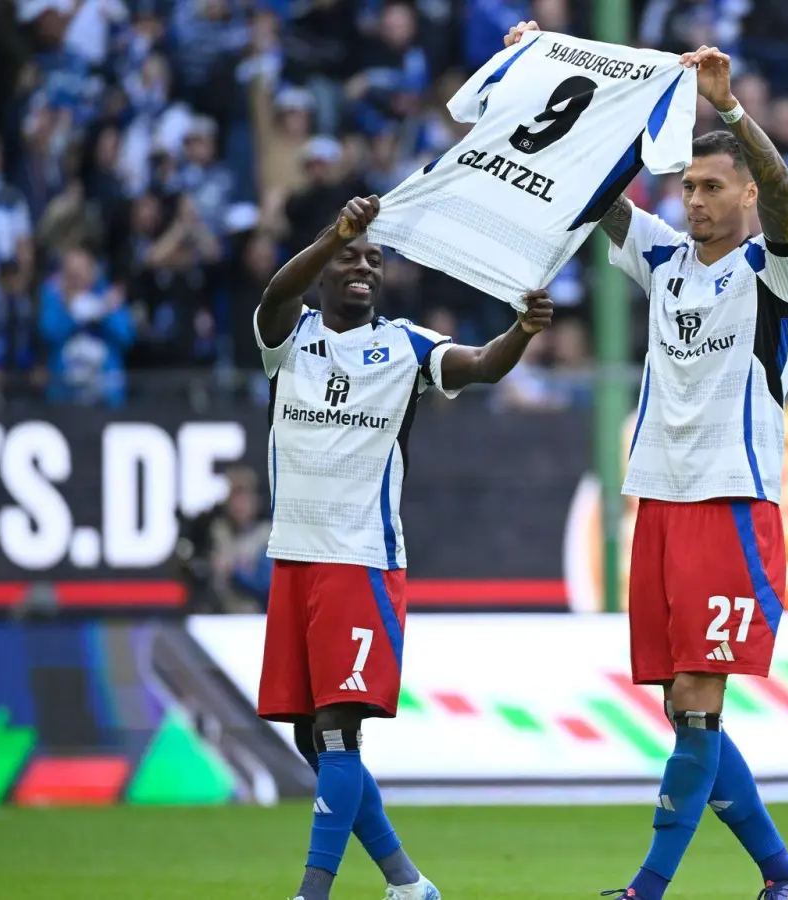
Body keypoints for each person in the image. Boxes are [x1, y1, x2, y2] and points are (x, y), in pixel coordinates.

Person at [559, 24, 788, 900]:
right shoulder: (665, 259)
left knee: (700, 700)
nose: (696, 200)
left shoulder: (774, 270)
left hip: (732, 500)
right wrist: (546, 72)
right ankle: (785, 881)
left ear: (744, 192)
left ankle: (647, 889)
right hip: (660, 501)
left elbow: (784, 190)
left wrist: (731, 112)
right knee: (682, 708)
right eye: (688, 187)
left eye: (713, 187)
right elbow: (595, 193)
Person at [253, 193, 553, 900]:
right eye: (351, 258)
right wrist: (338, 232)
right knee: (315, 740)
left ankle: (313, 893)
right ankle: (407, 883)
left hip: (361, 560)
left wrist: (523, 330)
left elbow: (480, 366)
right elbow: (274, 293)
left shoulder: (406, 345)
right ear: (325, 268)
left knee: (336, 733)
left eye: (374, 259)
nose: (363, 267)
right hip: (295, 555)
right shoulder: (287, 337)